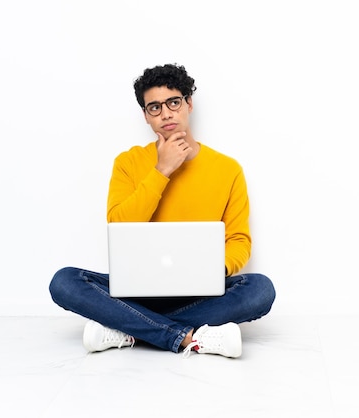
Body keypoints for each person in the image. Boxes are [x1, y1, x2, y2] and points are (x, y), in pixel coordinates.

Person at [49, 64, 276, 358]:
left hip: (200, 292)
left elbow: (239, 240)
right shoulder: (128, 163)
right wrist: (162, 170)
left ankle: (128, 328)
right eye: (154, 107)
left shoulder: (227, 169)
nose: (166, 113)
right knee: (64, 282)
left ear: (188, 103)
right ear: (145, 115)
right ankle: (189, 337)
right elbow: (119, 225)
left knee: (260, 289)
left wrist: (212, 270)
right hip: (136, 290)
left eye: (173, 102)